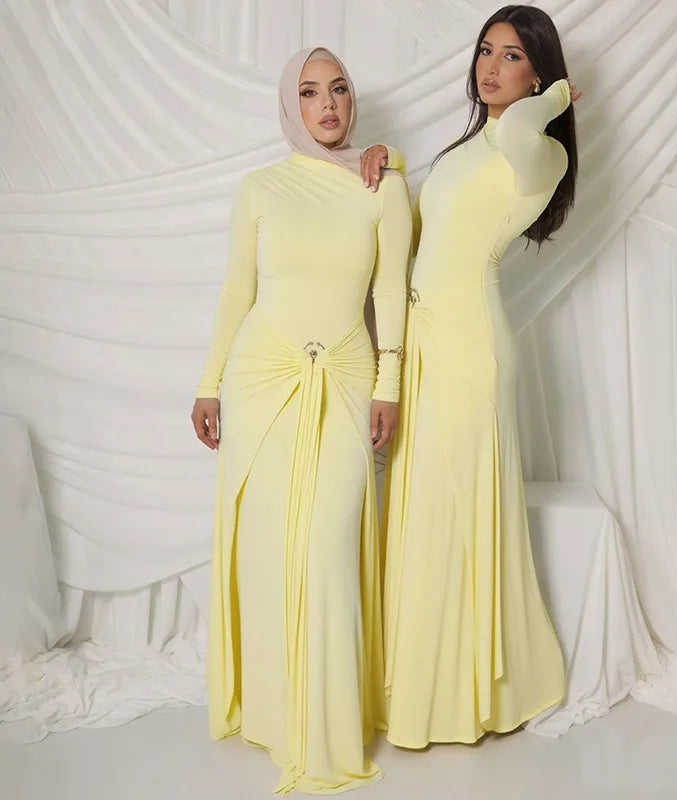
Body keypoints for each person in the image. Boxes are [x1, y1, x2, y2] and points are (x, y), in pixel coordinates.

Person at [191, 47, 411, 794]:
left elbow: (391, 293)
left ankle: (329, 727)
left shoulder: (384, 185)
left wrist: (389, 384)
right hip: (260, 380)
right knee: (269, 548)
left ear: (352, 101)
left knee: (327, 546)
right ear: (292, 104)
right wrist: (209, 384)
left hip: (347, 377)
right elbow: (237, 291)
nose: (327, 105)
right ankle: (277, 717)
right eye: (310, 92)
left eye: (339, 90)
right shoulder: (260, 187)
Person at [363, 5, 580, 748]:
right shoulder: (466, 147)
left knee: (454, 513)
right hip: (424, 345)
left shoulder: (538, 152)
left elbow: (520, 131)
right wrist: (389, 161)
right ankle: (418, 681)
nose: (491, 66)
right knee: (422, 510)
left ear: (540, 73)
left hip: (471, 348)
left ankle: (463, 695)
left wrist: (555, 98)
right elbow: (418, 237)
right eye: (486, 50)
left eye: (513, 56)